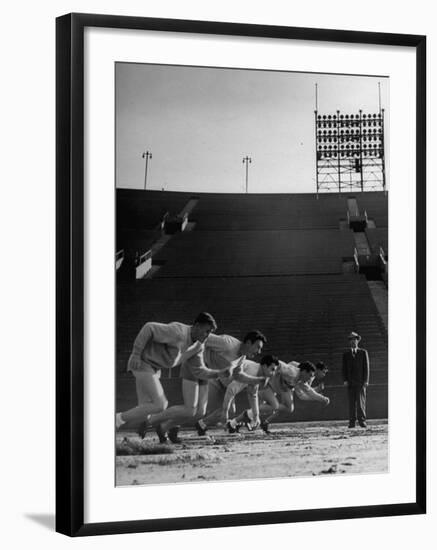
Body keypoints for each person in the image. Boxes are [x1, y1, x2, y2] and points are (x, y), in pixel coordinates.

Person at [115, 312, 218, 431]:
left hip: (154, 370)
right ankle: (117, 419)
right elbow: (149, 327)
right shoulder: (178, 332)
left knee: (144, 414)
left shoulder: (198, 346)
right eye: (207, 331)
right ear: (197, 326)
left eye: (210, 332)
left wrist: (219, 373)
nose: (207, 335)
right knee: (160, 404)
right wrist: (136, 354)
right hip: (142, 364)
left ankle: (130, 442)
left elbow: (199, 371)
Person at [193, 331, 268, 436]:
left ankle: (201, 424)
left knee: (230, 410)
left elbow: (239, 377)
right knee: (195, 410)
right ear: (249, 343)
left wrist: (254, 381)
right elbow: (201, 335)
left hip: (219, 378)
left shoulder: (242, 357)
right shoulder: (227, 344)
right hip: (201, 371)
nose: (259, 352)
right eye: (257, 347)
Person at [237, 360, 330, 434]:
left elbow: (308, 392)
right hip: (270, 385)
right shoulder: (293, 372)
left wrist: (321, 398)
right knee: (275, 407)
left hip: (282, 388)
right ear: (305, 372)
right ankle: (252, 415)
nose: (310, 378)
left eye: (311, 376)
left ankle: (253, 418)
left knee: (283, 408)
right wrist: (272, 374)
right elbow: (280, 364)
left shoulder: (302, 379)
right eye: (309, 375)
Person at [342, 331, 370, 428]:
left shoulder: (363, 352)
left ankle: (362, 421)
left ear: (358, 341)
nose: (353, 342)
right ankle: (352, 422)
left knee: (361, 402)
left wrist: (366, 380)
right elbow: (344, 368)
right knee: (351, 403)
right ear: (349, 342)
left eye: (354, 339)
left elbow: (366, 368)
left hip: (360, 382)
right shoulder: (346, 354)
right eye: (351, 340)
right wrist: (345, 380)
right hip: (350, 382)